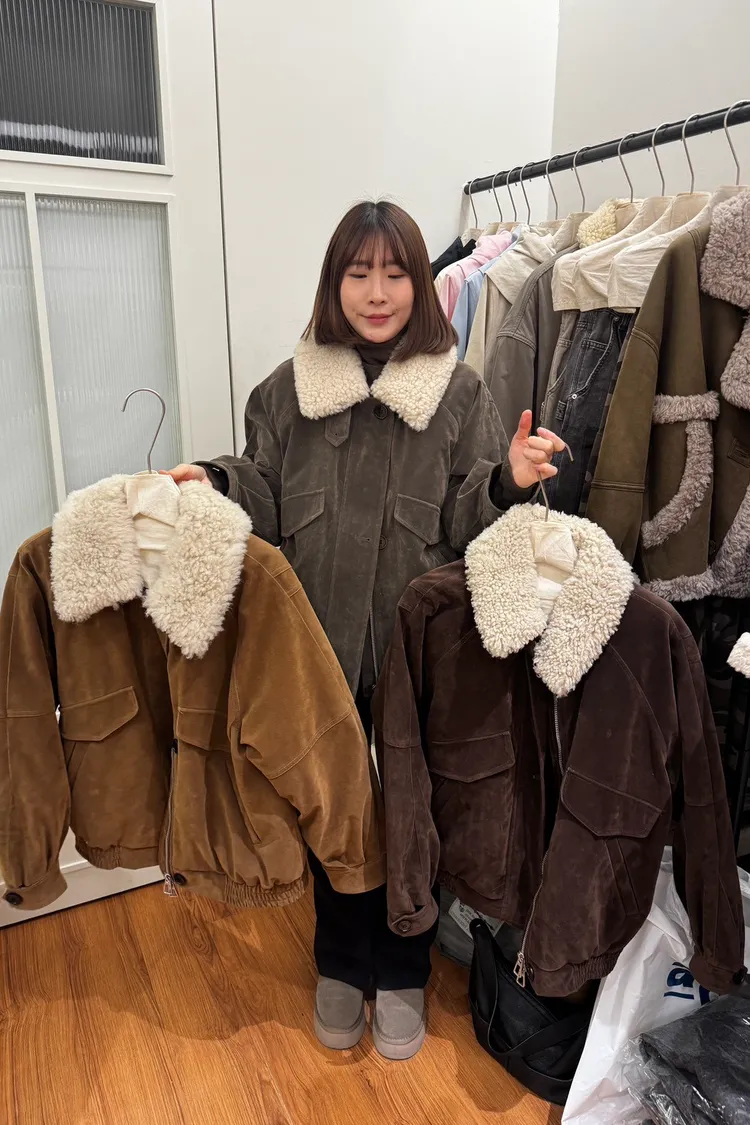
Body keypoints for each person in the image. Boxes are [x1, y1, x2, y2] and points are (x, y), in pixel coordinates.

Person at [164, 200, 564, 1060]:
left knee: (410, 819)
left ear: (420, 282)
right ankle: (341, 962)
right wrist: (217, 481)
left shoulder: (460, 395)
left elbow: (470, 522)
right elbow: (265, 491)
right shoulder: (285, 392)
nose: (377, 292)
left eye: (395, 273)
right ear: (333, 282)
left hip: (421, 668)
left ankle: (405, 969)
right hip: (315, 658)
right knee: (329, 815)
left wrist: (508, 479)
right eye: (358, 272)